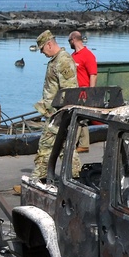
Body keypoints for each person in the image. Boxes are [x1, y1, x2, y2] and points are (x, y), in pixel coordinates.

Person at [26, 30, 80, 184]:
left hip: (59, 116)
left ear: (49, 44)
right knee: (66, 149)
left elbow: (69, 92)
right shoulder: (56, 60)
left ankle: (37, 180)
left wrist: (63, 118)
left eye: (42, 49)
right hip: (55, 114)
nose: (41, 53)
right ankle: (75, 178)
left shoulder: (63, 61)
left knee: (46, 147)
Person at [68, 31, 97, 153]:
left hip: (84, 91)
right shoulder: (73, 56)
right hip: (75, 91)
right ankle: (84, 144)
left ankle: (72, 143)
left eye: (69, 41)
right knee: (81, 118)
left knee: (78, 117)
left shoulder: (87, 55)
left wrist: (90, 92)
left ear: (74, 39)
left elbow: (93, 74)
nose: (69, 43)